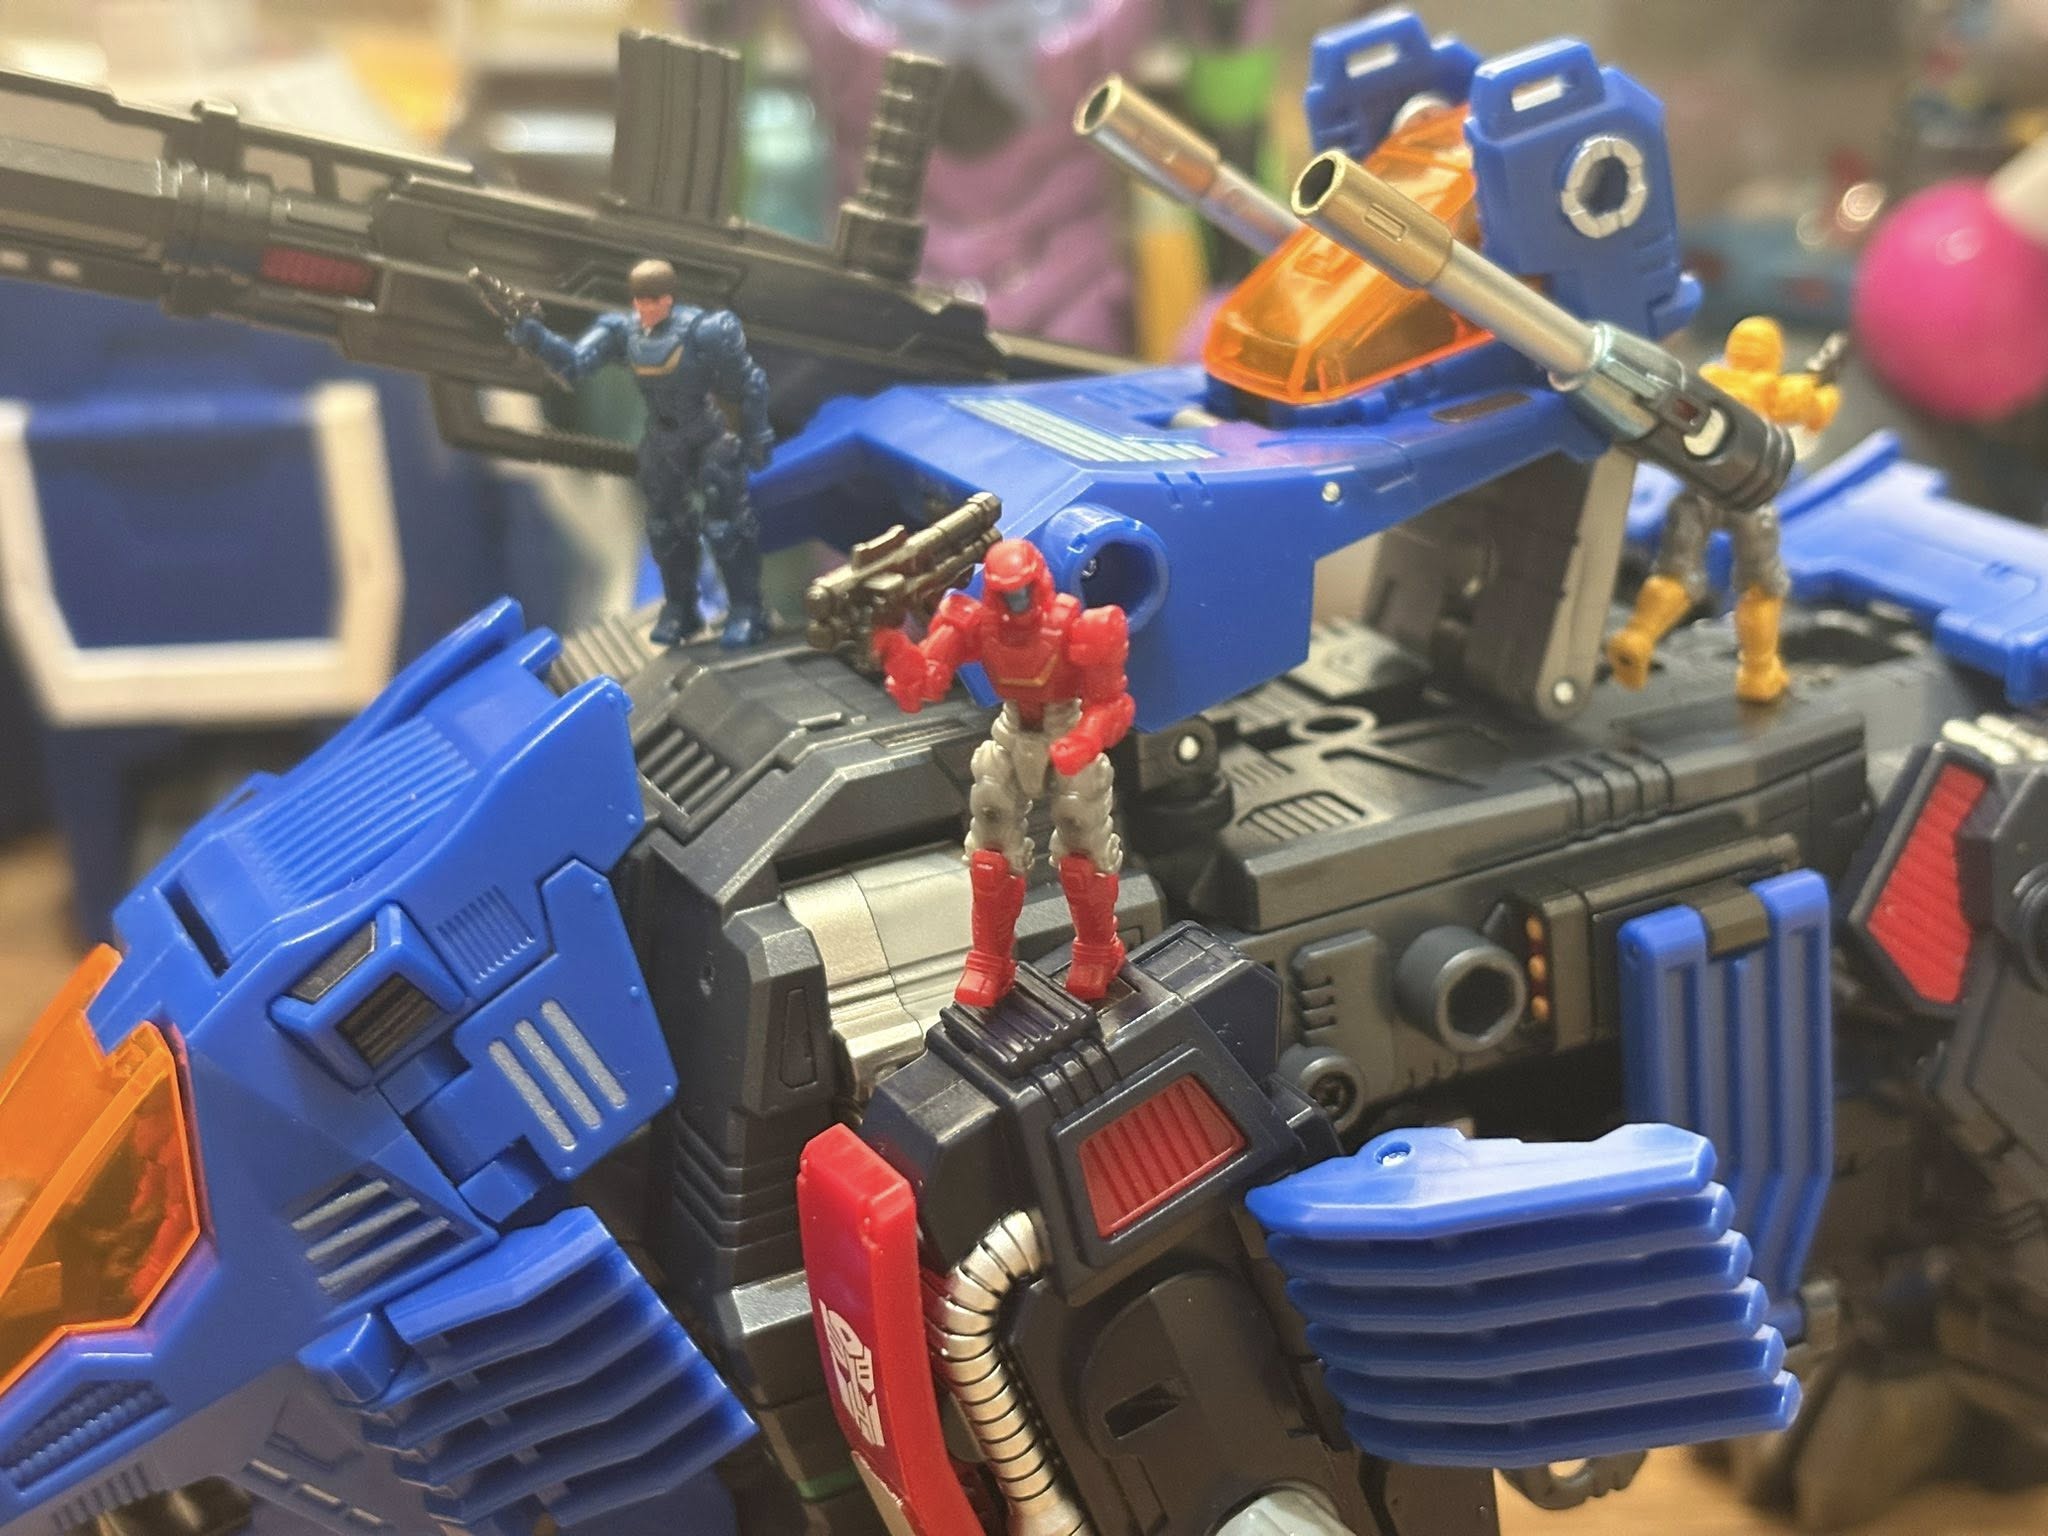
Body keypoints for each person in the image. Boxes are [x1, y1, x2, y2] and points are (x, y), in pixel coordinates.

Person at [874, 540, 1135, 1007]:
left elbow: (1113, 705)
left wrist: (1086, 738)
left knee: (1082, 842)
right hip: (1012, 730)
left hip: (1065, 726)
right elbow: (924, 683)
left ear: (1041, 584)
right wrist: (893, 646)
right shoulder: (975, 622)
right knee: (990, 854)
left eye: (1023, 592)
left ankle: (1099, 949)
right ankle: (990, 960)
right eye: (1005, 595)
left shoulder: (1079, 627)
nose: (1017, 606)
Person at [507, 259, 774, 647]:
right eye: (640, 300)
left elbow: (750, 381)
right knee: (664, 530)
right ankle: (680, 609)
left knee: (725, 528)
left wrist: (757, 433)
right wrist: (535, 336)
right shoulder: (624, 332)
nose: (647, 309)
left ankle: (746, 611)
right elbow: (575, 361)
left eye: (654, 300)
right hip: (661, 442)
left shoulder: (705, 330)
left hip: (706, 437)